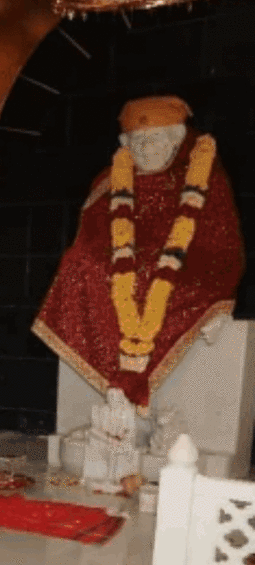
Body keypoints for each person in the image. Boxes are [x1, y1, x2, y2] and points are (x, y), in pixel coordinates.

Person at [33, 95, 244, 411]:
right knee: (77, 264)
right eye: (139, 141)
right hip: (120, 269)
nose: (146, 148)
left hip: (183, 267)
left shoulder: (203, 174)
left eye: (155, 139)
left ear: (175, 141)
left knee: (185, 282)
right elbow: (91, 239)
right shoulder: (109, 182)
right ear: (126, 145)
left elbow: (220, 241)